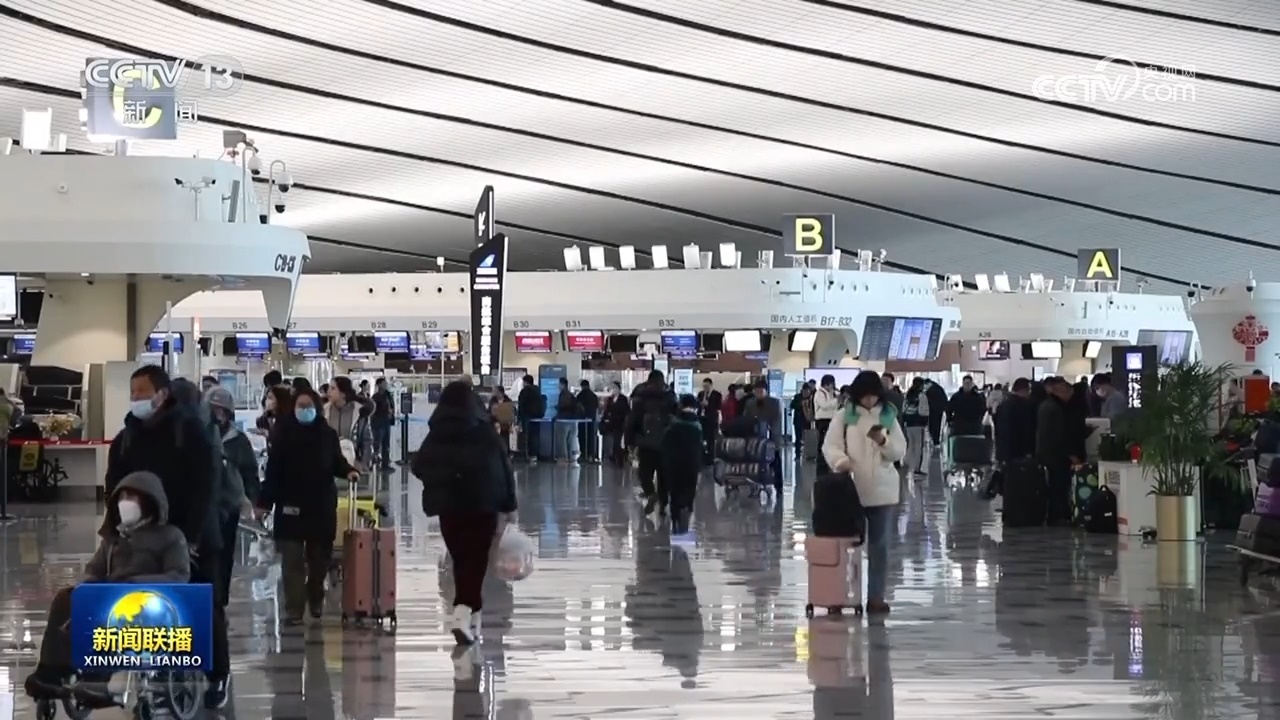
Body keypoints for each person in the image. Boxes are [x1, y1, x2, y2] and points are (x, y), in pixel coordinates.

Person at [102, 366, 229, 708]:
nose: (136, 398)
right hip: (145, 537)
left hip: (194, 535)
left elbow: (206, 486)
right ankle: (150, 670)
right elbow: (115, 485)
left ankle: (218, 674)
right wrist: (115, 528)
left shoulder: (189, 431)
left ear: (162, 394)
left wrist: (191, 537)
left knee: (205, 604)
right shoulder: (128, 436)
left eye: (142, 392)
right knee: (143, 601)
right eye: (133, 392)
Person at [24, 471, 191, 706]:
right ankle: (51, 671)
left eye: (132, 497)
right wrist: (88, 586)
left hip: (148, 603)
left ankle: (99, 677)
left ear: (149, 501)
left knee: (111, 611)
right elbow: (93, 569)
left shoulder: (170, 537)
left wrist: (137, 585)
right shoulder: (113, 540)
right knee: (65, 598)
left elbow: (179, 575)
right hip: (110, 593)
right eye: (122, 497)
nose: (125, 504)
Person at [413, 381, 517, 647]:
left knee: (461, 560)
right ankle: (463, 613)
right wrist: (510, 505)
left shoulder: (437, 434)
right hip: (483, 505)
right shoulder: (484, 431)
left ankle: (471, 617)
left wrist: (444, 478)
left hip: (449, 508)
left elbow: (419, 465)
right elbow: (504, 468)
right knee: (477, 561)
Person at [257, 388, 359, 624]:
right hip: (289, 505)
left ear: (316, 408)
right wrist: (264, 503)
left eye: (308, 406)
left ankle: (315, 596)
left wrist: (349, 471)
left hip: (320, 506)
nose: (305, 410)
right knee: (291, 561)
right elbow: (273, 471)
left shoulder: (327, 435)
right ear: (293, 408)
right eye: (300, 406)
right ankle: (294, 609)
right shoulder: (283, 435)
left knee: (318, 562)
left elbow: (336, 462)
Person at [821, 370, 906, 615]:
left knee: (879, 548)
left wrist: (884, 442)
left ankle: (876, 598)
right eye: (865, 396)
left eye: (873, 396)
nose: (869, 401)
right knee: (844, 546)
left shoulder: (888, 416)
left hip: (882, 491)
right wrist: (841, 462)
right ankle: (839, 597)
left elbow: (899, 451)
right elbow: (830, 445)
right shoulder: (844, 416)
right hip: (850, 491)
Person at [205, 386, 261, 597]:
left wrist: (252, 500)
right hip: (204, 506)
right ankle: (209, 597)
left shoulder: (238, 440)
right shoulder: (199, 435)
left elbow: (249, 472)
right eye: (212, 409)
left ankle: (220, 598)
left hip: (228, 507)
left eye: (221, 410)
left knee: (225, 554)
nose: (217, 414)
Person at [627, 370, 678, 516]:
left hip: (645, 442)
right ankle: (663, 504)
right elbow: (676, 419)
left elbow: (632, 420)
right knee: (664, 475)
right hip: (666, 442)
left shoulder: (641, 395)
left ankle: (650, 493)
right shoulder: (669, 396)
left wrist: (630, 441)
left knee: (644, 473)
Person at [1036, 378, 1079, 526]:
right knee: (1059, 486)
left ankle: (1054, 515)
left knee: (1052, 486)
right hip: (1057, 455)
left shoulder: (1045, 405)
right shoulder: (1057, 408)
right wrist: (1072, 454)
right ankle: (1058, 515)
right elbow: (1061, 434)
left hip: (1046, 452)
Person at [743, 380, 784, 488]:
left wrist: (774, 439)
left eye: (761, 391)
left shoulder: (774, 403)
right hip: (755, 437)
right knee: (755, 463)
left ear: (766, 391)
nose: (759, 394)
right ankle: (755, 483)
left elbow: (777, 421)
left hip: (771, 436)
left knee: (775, 460)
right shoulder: (750, 403)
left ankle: (778, 485)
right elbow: (746, 419)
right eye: (756, 392)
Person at [326, 376, 374, 470]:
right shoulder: (325, 411)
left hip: (353, 464)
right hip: (329, 464)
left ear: (343, 393)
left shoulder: (359, 411)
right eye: (329, 388)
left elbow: (366, 440)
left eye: (333, 388)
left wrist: (364, 464)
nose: (328, 392)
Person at [901, 377, 931, 477]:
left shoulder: (908, 395)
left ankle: (907, 465)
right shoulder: (921, 395)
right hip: (918, 423)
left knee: (910, 445)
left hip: (908, 424)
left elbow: (903, 410)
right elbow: (924, 411)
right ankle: (917, 469)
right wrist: (926, 422)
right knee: (918, 446)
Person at [813, 375, 841, 475]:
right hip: (822, 420)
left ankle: (827, 460)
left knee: (829, 440)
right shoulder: (819, 393)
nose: (831, 387)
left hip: (831, 419)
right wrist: (836, 401)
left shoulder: (832, 393)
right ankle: (821, 460)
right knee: (822, 440)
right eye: (830, 384)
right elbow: (824, 405)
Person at [946, 375, 987, 441]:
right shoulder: (956, 397)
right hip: (959, 426)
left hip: (974, 426)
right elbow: (949, 409)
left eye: (969, 383)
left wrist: (979, 418)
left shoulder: (978, 397)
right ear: (963, 384)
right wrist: (950, 420)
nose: (967, 385)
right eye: (966, 383)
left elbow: (983, 409)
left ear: (972, 384)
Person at [516, 375, 545, 463]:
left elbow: (521, 405)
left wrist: (519, 419)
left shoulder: (525, 391)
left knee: (528, 436)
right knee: (535, 435)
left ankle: (528, 454)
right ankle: (535, 455)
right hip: (538, 417)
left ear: (525, 382)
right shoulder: (538, 390)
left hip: (527, 416)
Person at [601, 381, 630, 466]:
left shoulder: (623, 399)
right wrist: (605, 419)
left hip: (619, 424)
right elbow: (606, 410)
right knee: (612, 441)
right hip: (610, 424)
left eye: (614, 388)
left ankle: (619, 457)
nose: (613, 390)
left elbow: (626, 411)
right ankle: (613, 456)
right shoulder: (610, 399)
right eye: (612, 388)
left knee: (618, 441)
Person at [553, 377, 581, 464]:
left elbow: (563, 407)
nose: (558, 386)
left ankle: (563, 457)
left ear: (562, 384)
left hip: (563, 420)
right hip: (571, 420)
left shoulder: (563, 394)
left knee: (562, 439)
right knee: (570, 440)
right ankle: (570, 456)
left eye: (559, 384)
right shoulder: (570, 394)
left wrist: (557, 408)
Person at [370, 378, 395, 470]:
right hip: (378, 423)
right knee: (377, 444)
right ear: (379, 385)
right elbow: (373, 411)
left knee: (386, 444)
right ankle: (373, 462)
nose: (385, 385)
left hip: (386, 422)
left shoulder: (388, 395)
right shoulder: (375, 397)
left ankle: (385, 464)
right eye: (384, 383)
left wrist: (391, 413)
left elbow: (391, 405)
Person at [696, 379, 722, 463]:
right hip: (702, 418)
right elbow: (697, 404)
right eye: (704, 386)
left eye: (707, 386)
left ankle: (711, 457)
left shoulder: (717, 395)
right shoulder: (701, 394)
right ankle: (703, 456)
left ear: (711, 385)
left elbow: (718, 407)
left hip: (711, 419)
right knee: (702, 438)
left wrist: (708, 405)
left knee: (711, 439)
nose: (705, 388)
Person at [576, 380, 600, 463]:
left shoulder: (580, 395)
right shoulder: (594, 396)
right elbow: (597, 407)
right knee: (591, 437)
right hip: (592, 420)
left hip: (582, 420)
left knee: (582, 437)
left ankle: (583, 454)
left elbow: (578, 407)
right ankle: (591, 455)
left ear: (582, 386)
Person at [790, 385, 815, 460]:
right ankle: (797, 455)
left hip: (808, 420)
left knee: (808, 438)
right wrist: (801, 405)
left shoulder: (812, 398)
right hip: (798, 420)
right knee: (798, 438)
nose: (806, 393)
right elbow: (792, 405)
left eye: (807, 391)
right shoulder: (797, 397)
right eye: (804, 391)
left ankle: (809, 454)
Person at [490, 387, 517, 455]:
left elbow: (512, 411)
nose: (494, 393)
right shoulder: (493, 400)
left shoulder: (507, 400)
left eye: (496, 392)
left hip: (505, 423)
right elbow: (490, 411)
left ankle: (505, 452)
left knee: (505, 438)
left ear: (501, 392)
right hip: (495, 422)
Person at [925, 379, 948, 450]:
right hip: (938, 410)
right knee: (936, 425)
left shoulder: (931, 390)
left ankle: (934, 440)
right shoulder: (938, 388)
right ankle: (935, 440)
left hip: (933, 410)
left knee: (933, 425)